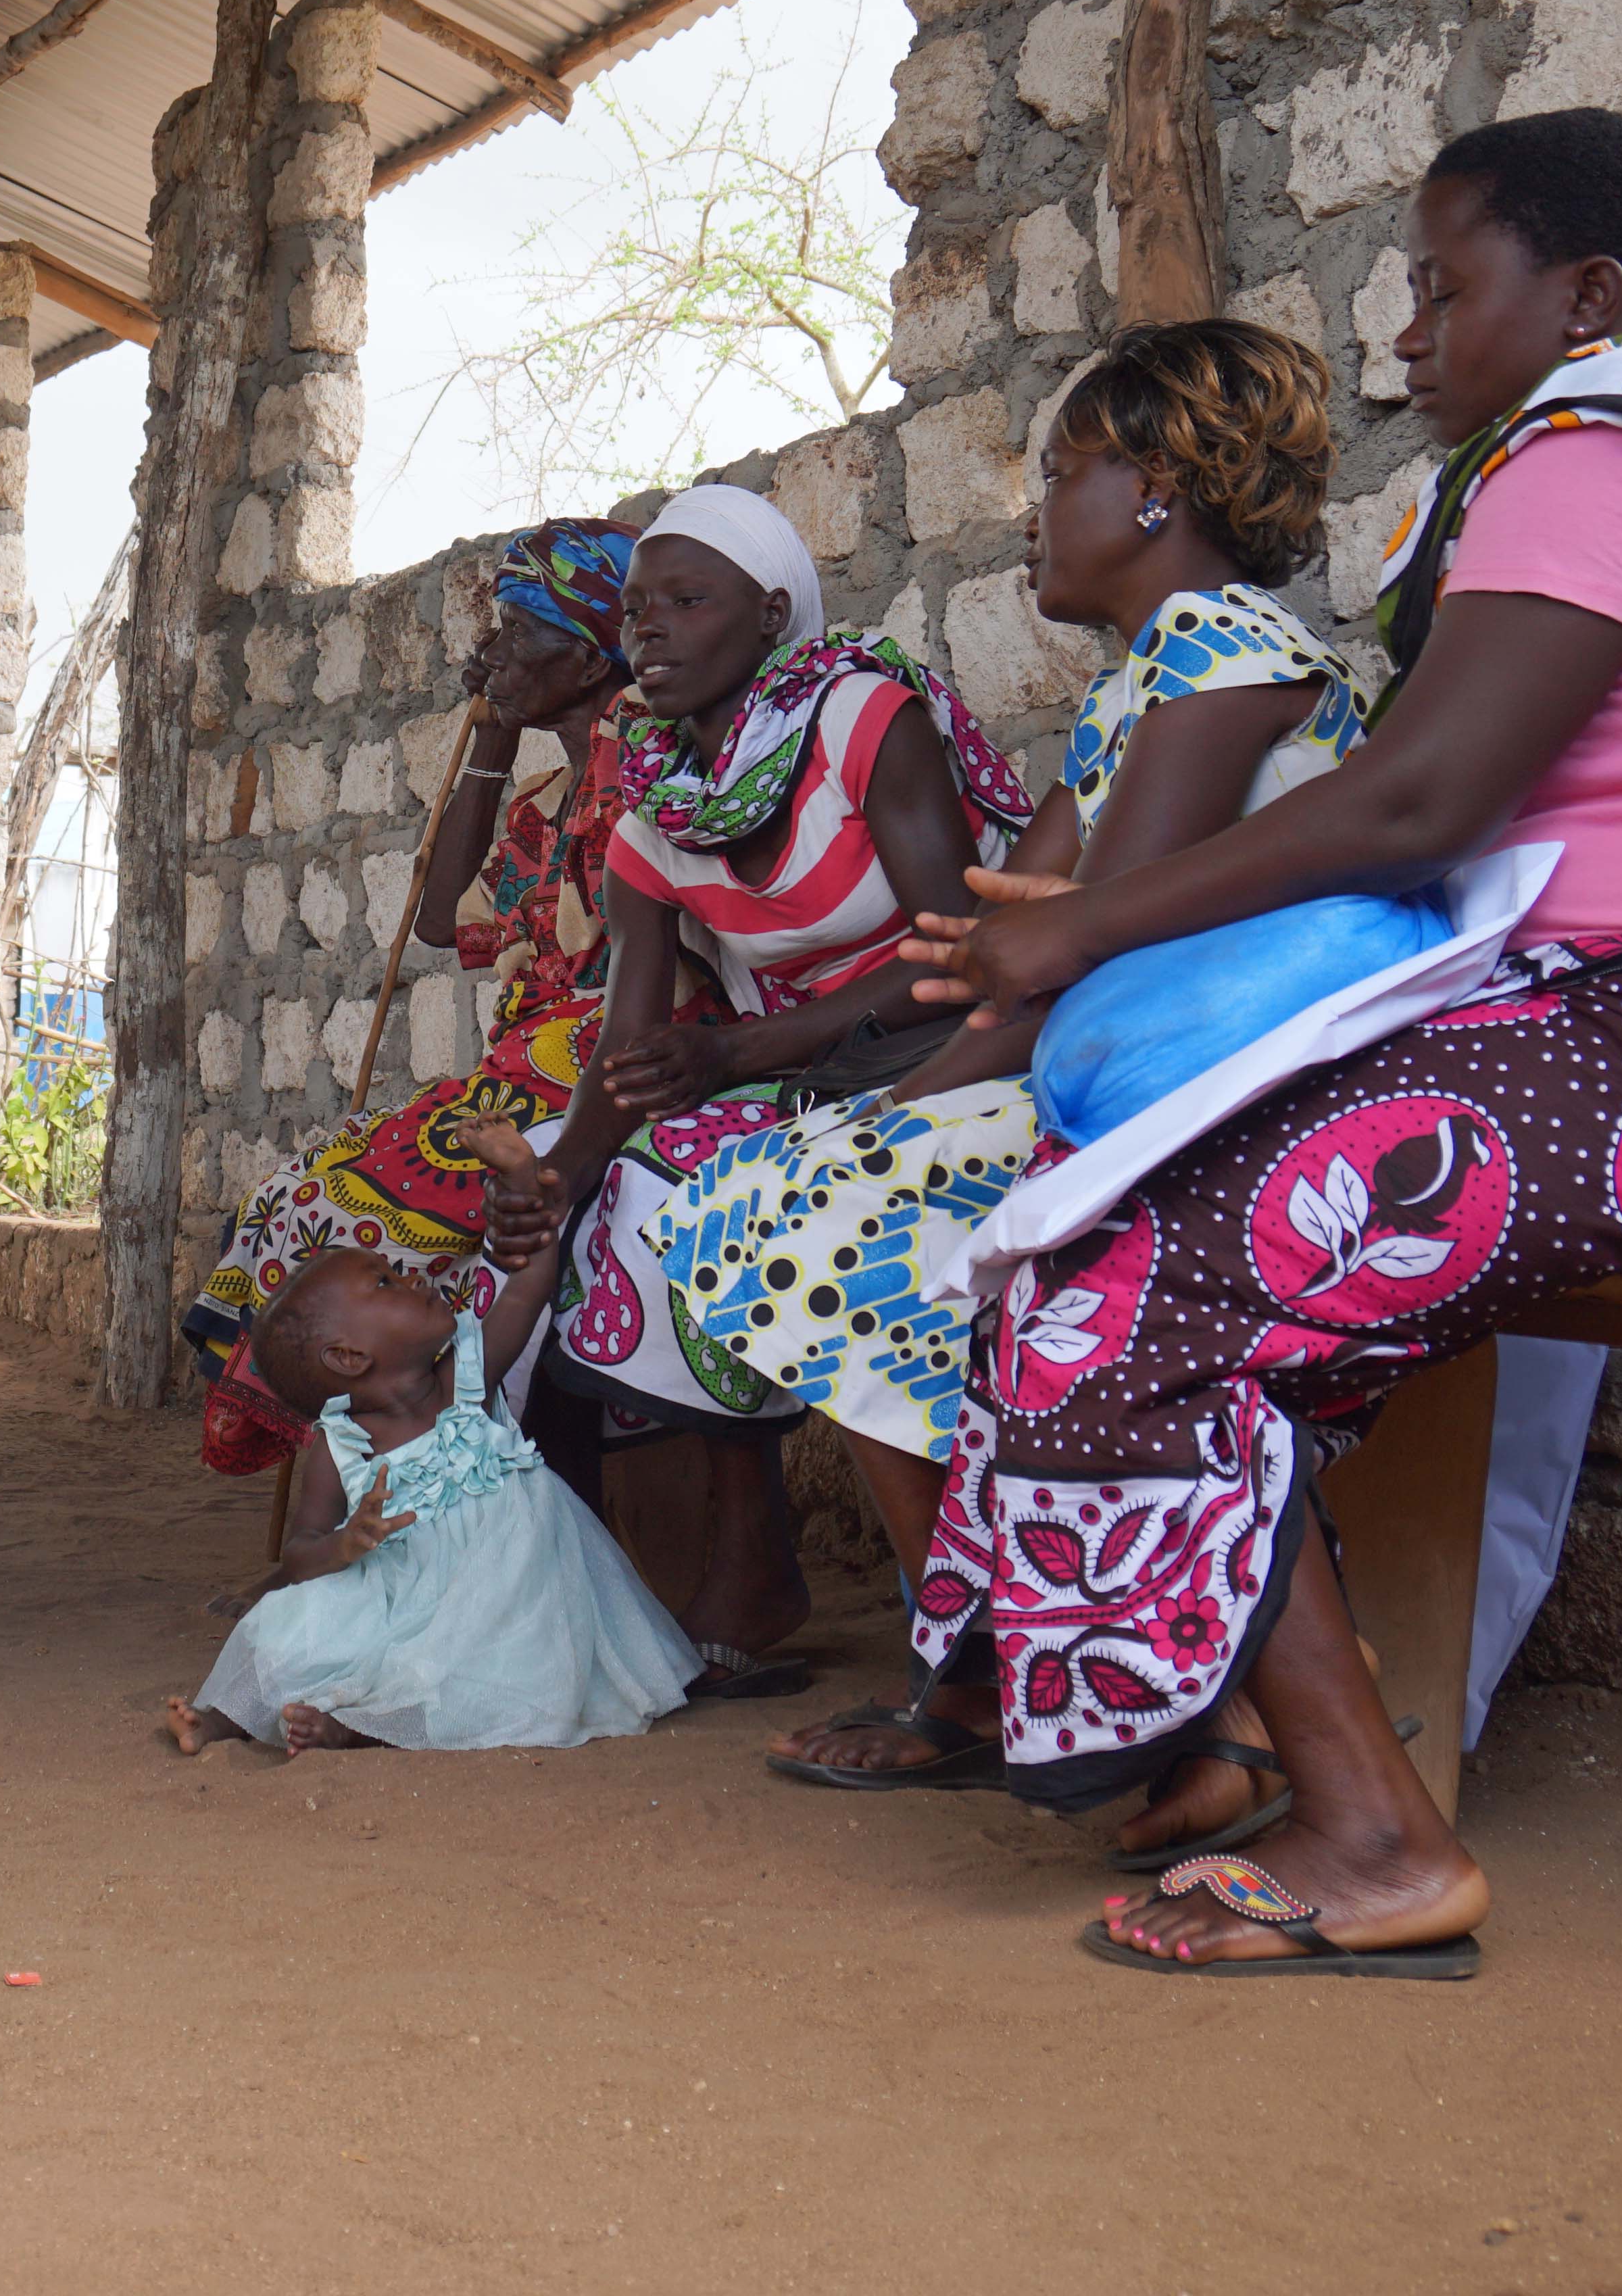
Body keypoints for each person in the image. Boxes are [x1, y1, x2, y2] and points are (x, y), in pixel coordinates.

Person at [887, 109, 1622, 1974]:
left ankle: (1367, 1837)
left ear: (1585, 296)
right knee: (1110, 1254)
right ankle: (1265, 1742)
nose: (1408, 340)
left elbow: (1417, 802)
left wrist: (1099, 924)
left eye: (1444, 289)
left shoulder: (1594, 448)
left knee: (1124, 1280)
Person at [658, 325, 1362, 1840]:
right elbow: (1003, 945)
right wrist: (899, 1099)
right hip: (1135, 1074)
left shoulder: (1230, 652)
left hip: (1240, 1095)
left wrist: (956, 1042)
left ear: (1160, 490)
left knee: (825, 1209)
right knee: (783, 1192)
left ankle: (1084, 1682)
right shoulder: (1134, 690)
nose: (1036, 510)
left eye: (1063, 473)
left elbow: (1087, 937)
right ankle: (979, 1659)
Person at [518, 482, 1031, 1696]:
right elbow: (634, 1043)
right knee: (602, 1203)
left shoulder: (861, 717)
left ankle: (834, 1597)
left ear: (769, 617)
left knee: (715, 1190)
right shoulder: (656, 809)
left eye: (688, 603)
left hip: (961, 1046)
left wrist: (739, 1056)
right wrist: (552, 1177)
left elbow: (958, 956)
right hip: (809, 1076)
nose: (650, 633)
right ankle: (701, 1563)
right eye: (637, 611)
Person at [179, 520, 712, 1475]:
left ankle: (410, 1487)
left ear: (593, 658)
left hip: (617, 1054)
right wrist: (494, 741)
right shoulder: (539, 807)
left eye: (516, 628)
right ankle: (376, 1495)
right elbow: (439, 921)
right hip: (523, 1068)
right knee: (286, 1211)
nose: (489, 651)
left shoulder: (652, 759)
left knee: (334, 1218)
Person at [170, 1127, 697, 1757]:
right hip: (391, 1603)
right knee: (286, 1630)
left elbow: (529, 1283)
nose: (414, 1278)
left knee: (491, 1671)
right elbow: (301, 1552)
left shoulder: (469, 1378)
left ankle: (360, 1728)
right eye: (387, 1284)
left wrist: (524, 1175)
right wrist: (346, 1542)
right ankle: (220, 1718)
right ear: (349, 1356)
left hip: (503, 1600)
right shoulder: (342, 1446)